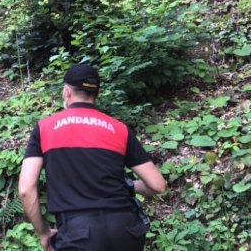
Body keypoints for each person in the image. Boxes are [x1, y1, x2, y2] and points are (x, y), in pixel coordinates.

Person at [18, 63, 166, 251]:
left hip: (79, 235)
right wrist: (129, 186)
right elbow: (158, 185)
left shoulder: (45, 128)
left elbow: (26, 189)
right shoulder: (118, 128)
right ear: (96, 95)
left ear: (66, 92)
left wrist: (43, 233)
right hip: (126, 230)